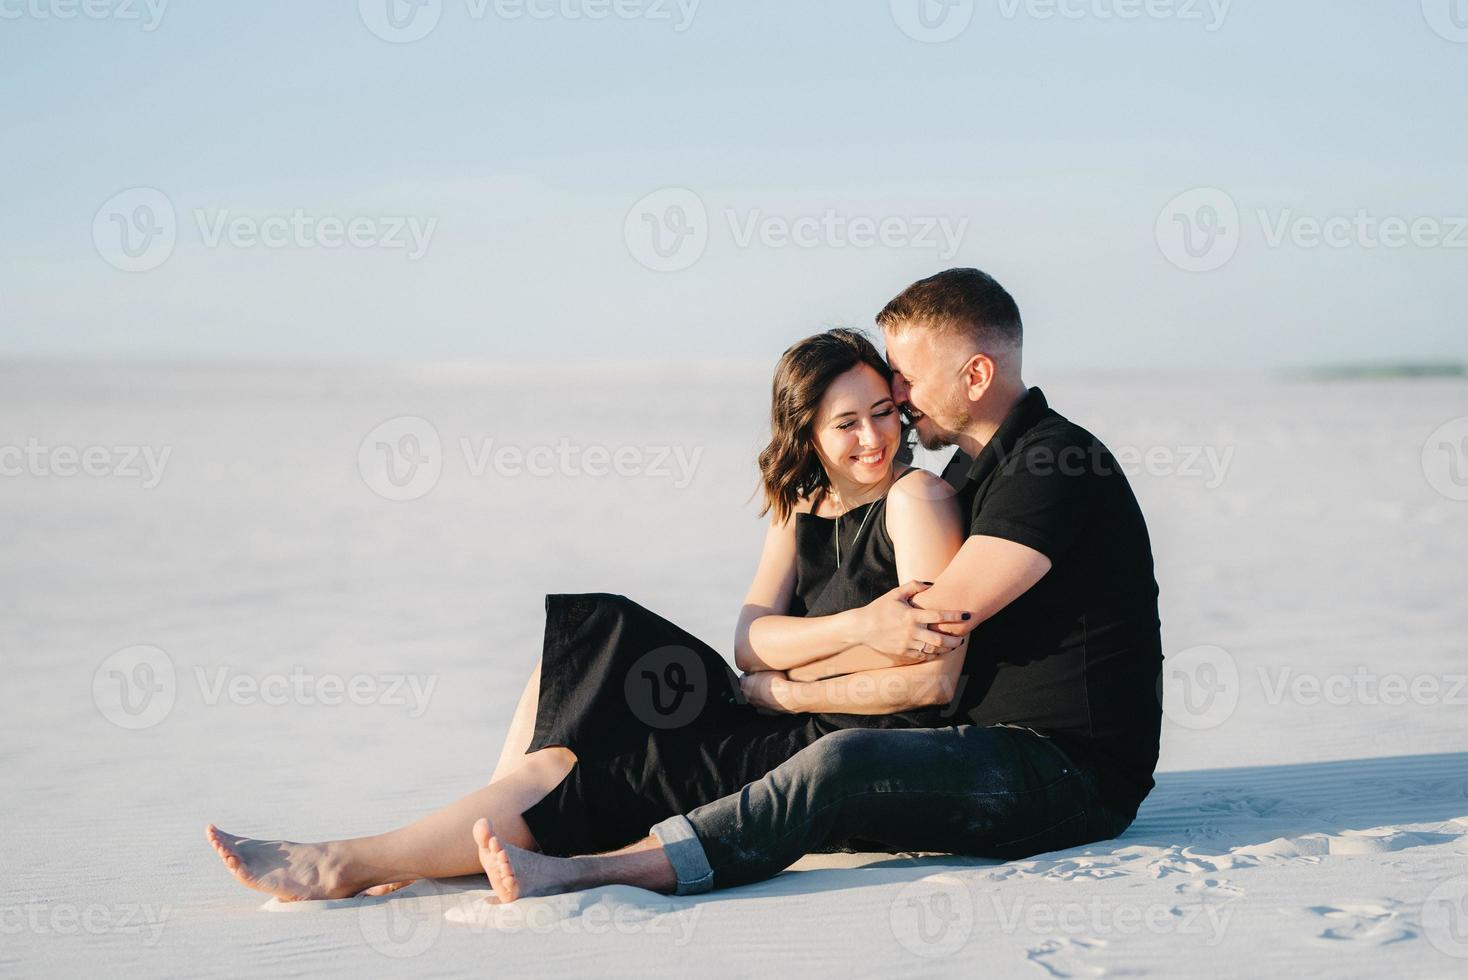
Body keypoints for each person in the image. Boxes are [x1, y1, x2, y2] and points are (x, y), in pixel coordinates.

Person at [205, 327, 981, 901]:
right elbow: (750, 641)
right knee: (595, 637)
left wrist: (789, 679)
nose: (874, 437)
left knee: (583, 768)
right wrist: (859, 627)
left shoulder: (915, 501)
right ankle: (473, 834)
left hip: (841, 741)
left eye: (883, 412)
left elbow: (922, 682)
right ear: (807, 431)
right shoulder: (803, 507)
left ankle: (361, 860)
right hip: (770, 710)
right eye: (846, 423)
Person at [466, 267, 1165, 903]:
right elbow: (879, 637)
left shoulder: (1055, 461)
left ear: (976, 374)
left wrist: (784, 687)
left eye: (907, 376)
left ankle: (590, 871)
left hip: (1068, 776)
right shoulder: (969, 477)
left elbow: (929, 630)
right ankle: (534, 821)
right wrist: (831, 646)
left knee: (844, 760)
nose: (896, 394)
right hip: (976, 747)